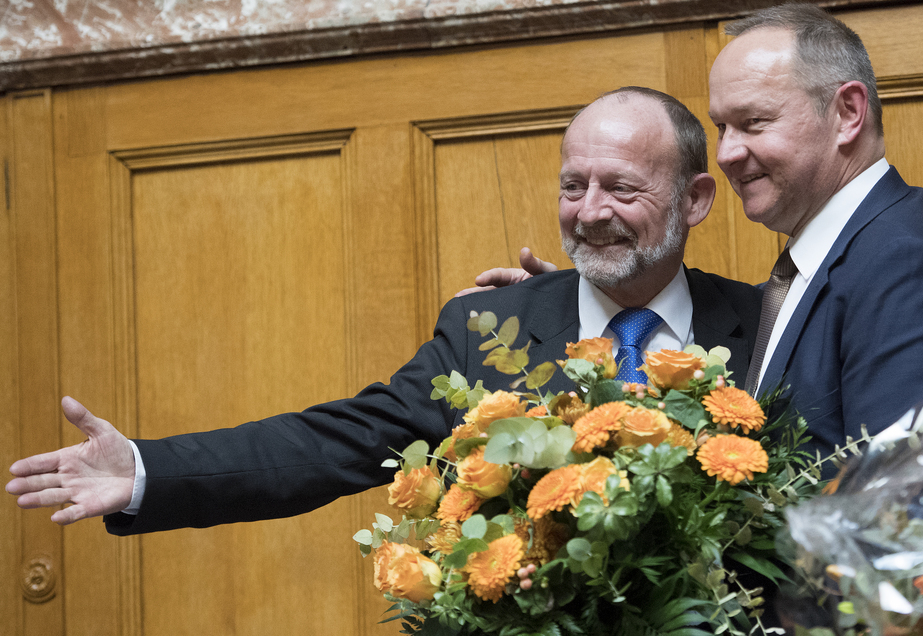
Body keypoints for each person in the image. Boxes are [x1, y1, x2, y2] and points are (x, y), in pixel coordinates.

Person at [5, 87, 762, 534]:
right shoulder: (485, 331)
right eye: (573, 185)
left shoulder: (765, 322)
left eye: (621, 189)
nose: (589, 213)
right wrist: (144, 469)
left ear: (695, 200)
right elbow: (334, 441)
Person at [472, 4, 923, 461]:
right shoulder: (836, 259)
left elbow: (900, 522)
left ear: (848, 112)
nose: (729, 152)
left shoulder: (909, 267)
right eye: (721, 128)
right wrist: (569, 301)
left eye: (753, 123)